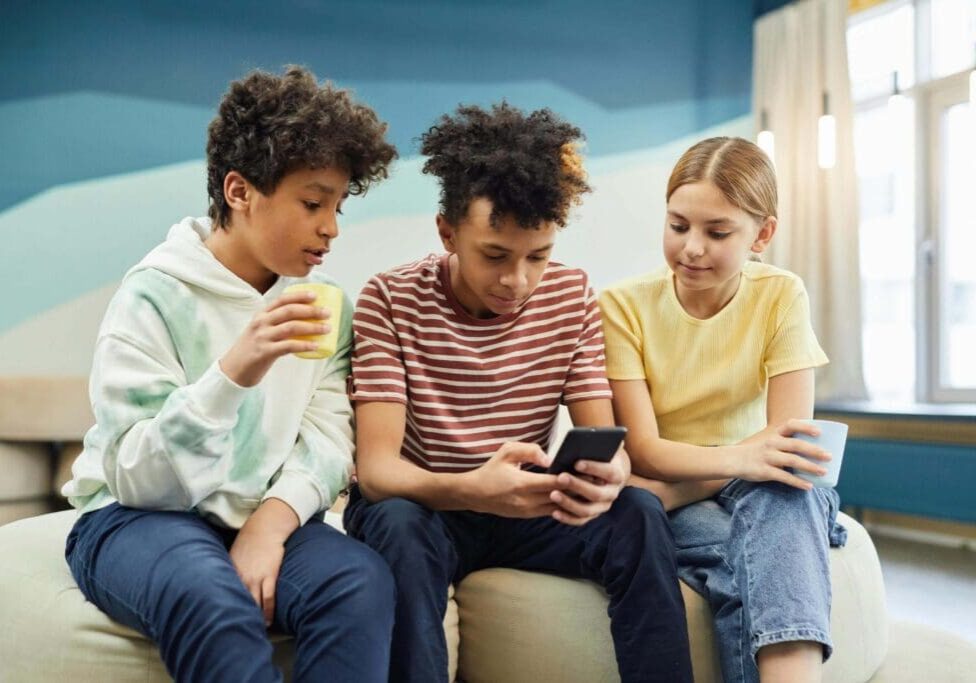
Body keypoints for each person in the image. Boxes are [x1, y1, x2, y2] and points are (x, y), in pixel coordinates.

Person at [61, 66, 398, 682]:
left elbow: (326, 442)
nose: (332, 227)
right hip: (134, 517)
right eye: (312, 202)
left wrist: (268, 528)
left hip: (259, 513)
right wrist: (235, 372)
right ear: (239, 191)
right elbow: (140, 480)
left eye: (339, 206)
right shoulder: (152, 297)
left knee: (360, 582)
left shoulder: (326, 304)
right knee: (206, 593)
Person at [344, 102, 693, 683]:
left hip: (522, 506)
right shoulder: (389, 299)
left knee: (638, 511)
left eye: (539, 255)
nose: (519, 281)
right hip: (429, 505)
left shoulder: (573, 295)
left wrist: (608, 477)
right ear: (447, 231)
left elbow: (604, 437)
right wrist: (474, 490)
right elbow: (377, 470)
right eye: (495, 256)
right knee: (397, 524)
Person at [598, 136, 848, 683]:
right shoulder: (621, 306)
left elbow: (787, 451)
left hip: (715, 487)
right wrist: (736, 462)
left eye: (717, 232)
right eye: (677, 225)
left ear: (763, 234)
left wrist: (682, 486)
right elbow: (645, 450)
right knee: (757, 551)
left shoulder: (782, 294)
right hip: (683, 488)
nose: (691, 248)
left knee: (788, 497)